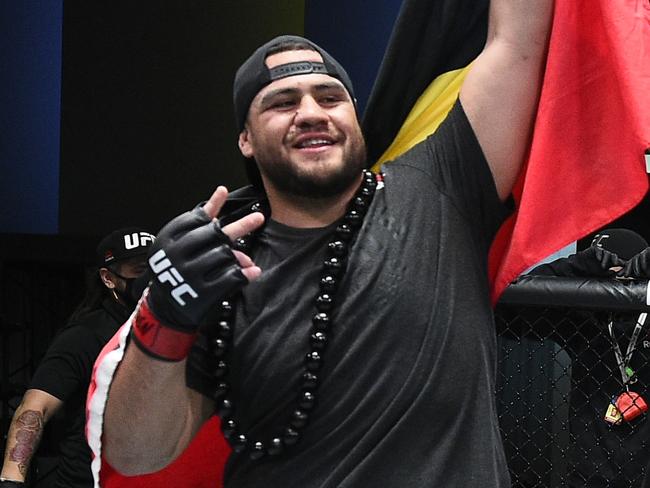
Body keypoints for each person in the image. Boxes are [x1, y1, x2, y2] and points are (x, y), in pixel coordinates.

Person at [91, 2, 554, 486]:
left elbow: (516, 41)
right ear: (245, 140)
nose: (310, 113)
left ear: (355, 116)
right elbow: (136, 451)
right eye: (282, 102)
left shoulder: (443, 186)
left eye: (330, 97)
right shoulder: (219, 268)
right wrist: (166, 313)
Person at [0, 228, 154, 488]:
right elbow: (36, 407)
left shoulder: (170, 330)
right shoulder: (86, 335)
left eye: (155, 268)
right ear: (108, 278)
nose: (150, 279)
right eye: (140, 271)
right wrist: (11, 481)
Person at [501, 228, 650, 487]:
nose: (615, 286)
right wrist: (575, 267)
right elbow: (507, 310)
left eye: (626, 279)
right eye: (604, 280)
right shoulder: (585, 318)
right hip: (592, 472)